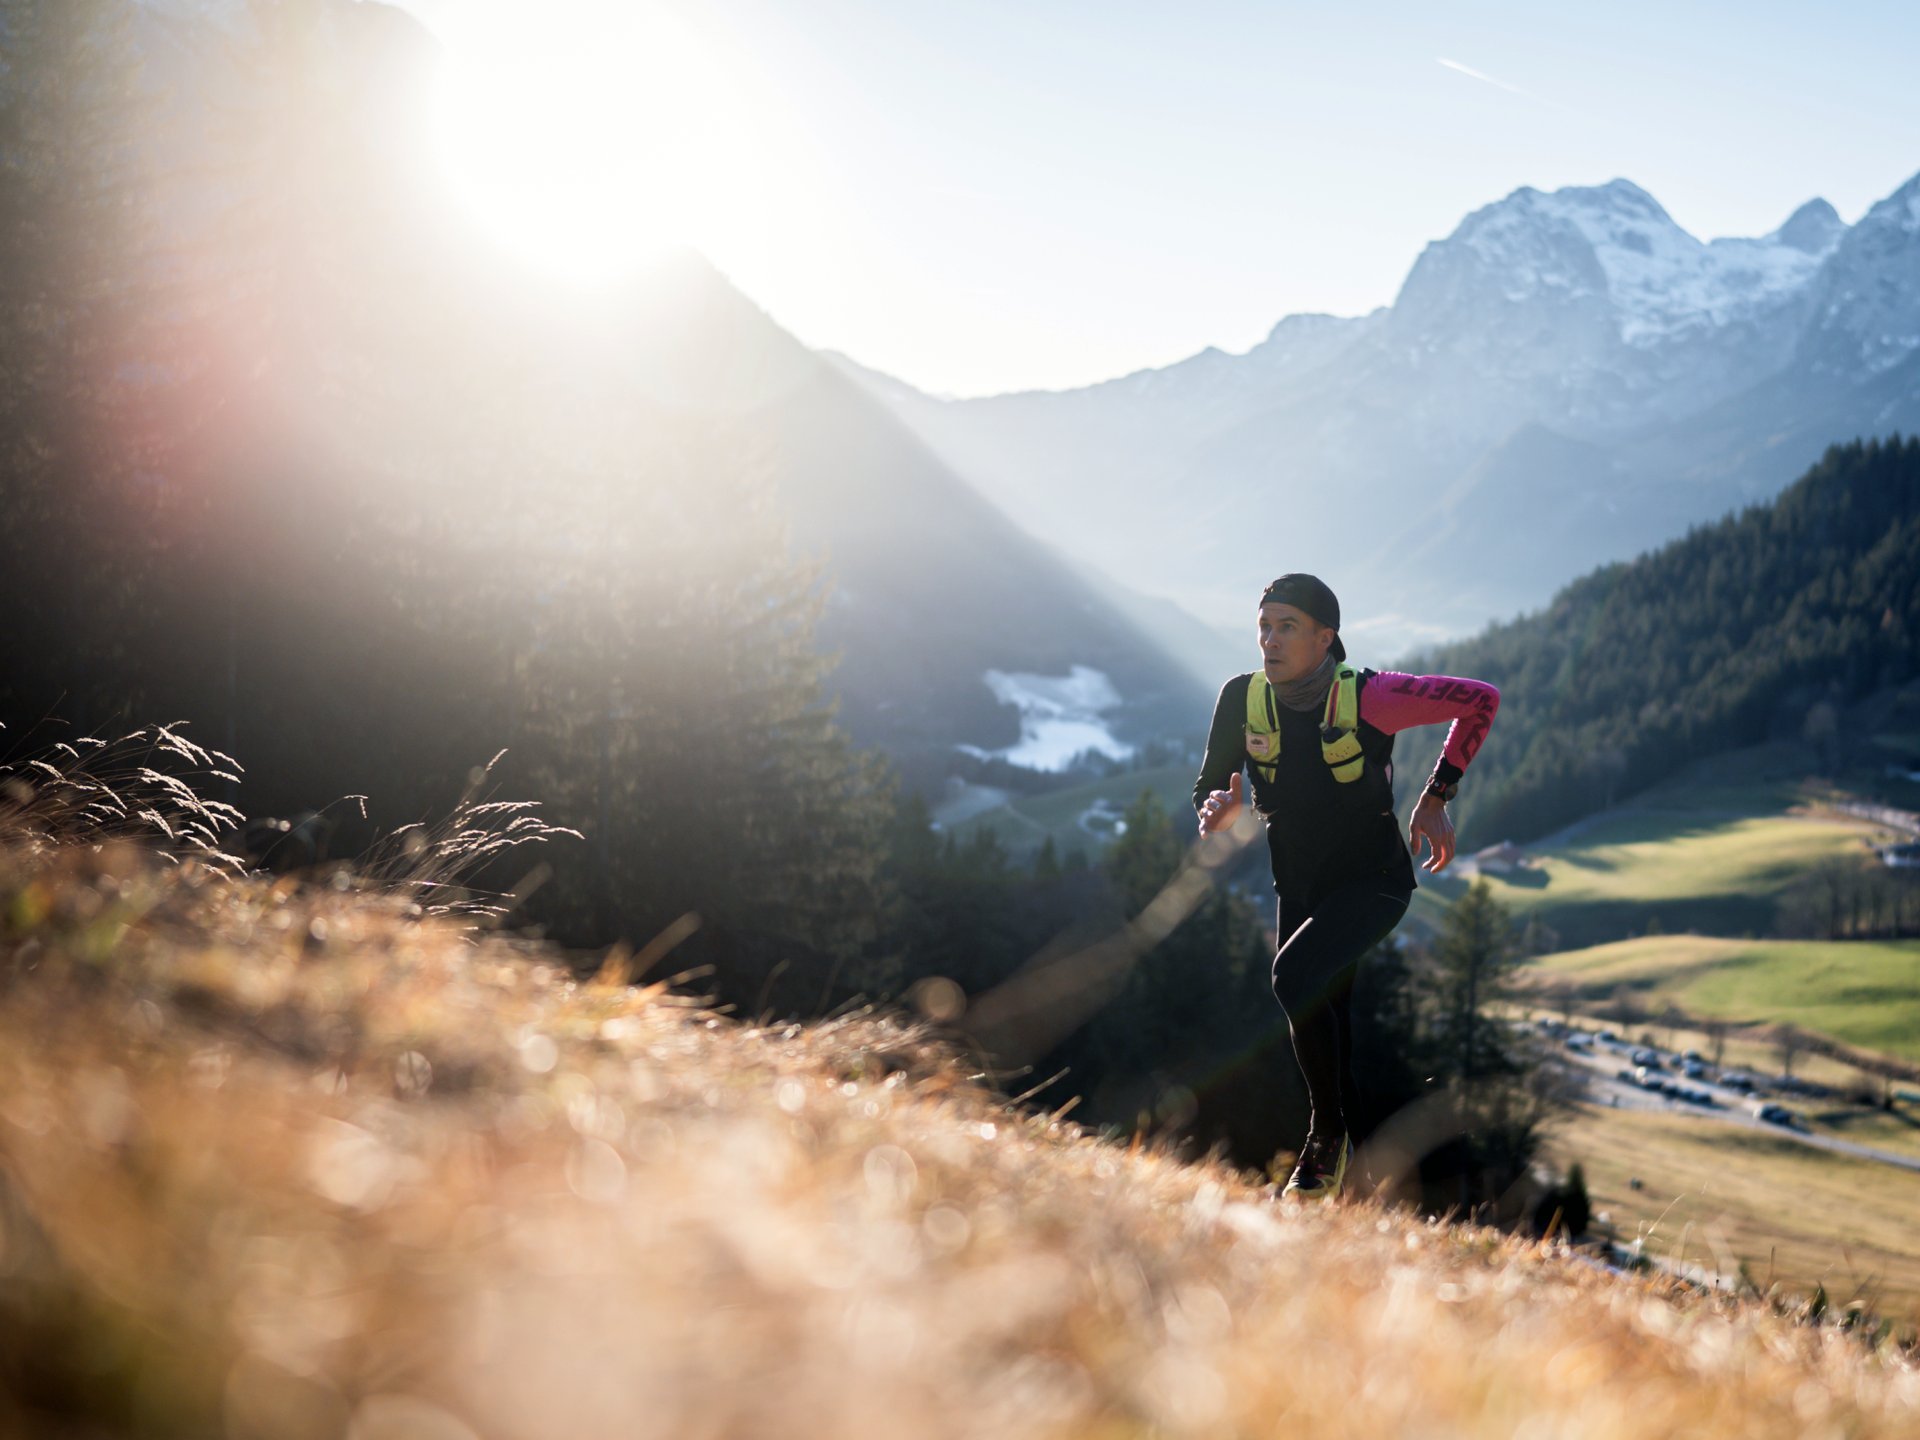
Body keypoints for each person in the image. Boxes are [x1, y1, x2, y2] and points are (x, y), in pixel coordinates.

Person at [1192, 574, 1500, 1202]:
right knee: (1328, 1019)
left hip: (1375, 882)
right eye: (1264, 627)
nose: (1269, 641)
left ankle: (1325, 1144)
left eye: (1287, 627)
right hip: (1298, 885)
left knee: (1293, 977)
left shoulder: (1373, 695)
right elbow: (1208, 787)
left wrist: (1437, 795)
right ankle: (1364, 1185)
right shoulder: (1241, 698)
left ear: (1325, 637)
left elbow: (1481, 699)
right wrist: (1216, 808)